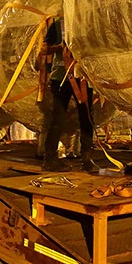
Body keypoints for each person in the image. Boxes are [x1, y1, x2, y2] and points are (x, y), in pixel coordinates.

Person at [37, 17, 97, 172]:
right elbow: (44, 49)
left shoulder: (87, 22)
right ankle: (49, 159)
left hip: (82, 76)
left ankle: (87, 158)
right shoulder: (58, 24)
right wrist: (61, 48)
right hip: (61, 77)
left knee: (87, 117)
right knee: (57, 118)